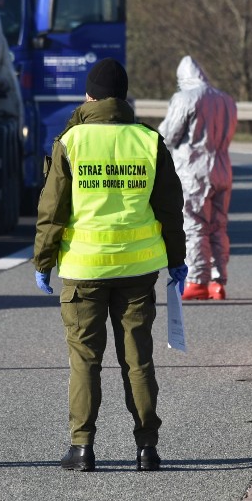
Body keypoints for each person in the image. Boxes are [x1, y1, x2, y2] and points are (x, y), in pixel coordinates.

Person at [32, 58, 188, 472]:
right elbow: (171, 208)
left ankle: (82, 449)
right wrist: (177, 259)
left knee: (85, 360)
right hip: (138, 271)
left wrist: (43, 260)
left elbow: (53, 209)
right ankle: (147, 448)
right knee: (138, 361)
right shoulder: (148, 141)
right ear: (123, 96)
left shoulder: (72, 140)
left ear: (89, 96)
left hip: (84, 269)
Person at [159, 56, 237, 301]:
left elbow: (169, 135)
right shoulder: (226, 100)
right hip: (223, 168)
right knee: (218, 225)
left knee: (193, 224)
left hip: (193, 170)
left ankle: (197, 280)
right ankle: (218, 281)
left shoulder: (185, 98)